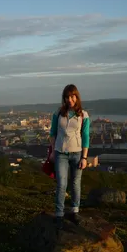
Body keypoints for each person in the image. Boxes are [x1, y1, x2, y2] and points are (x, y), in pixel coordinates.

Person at [49, 84, 90, 229]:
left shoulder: (83, 115)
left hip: (77, 153)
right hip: (61, 153)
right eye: (67, 97)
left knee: (75, 183)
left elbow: (85, 136)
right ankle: (59, 214)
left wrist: (84, 158)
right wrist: (53, 151)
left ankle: (74, 212)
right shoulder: (58, 113)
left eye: (72, 96)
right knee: (62, 183)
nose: (70, 99)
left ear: (77, 97)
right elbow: (52, 133)